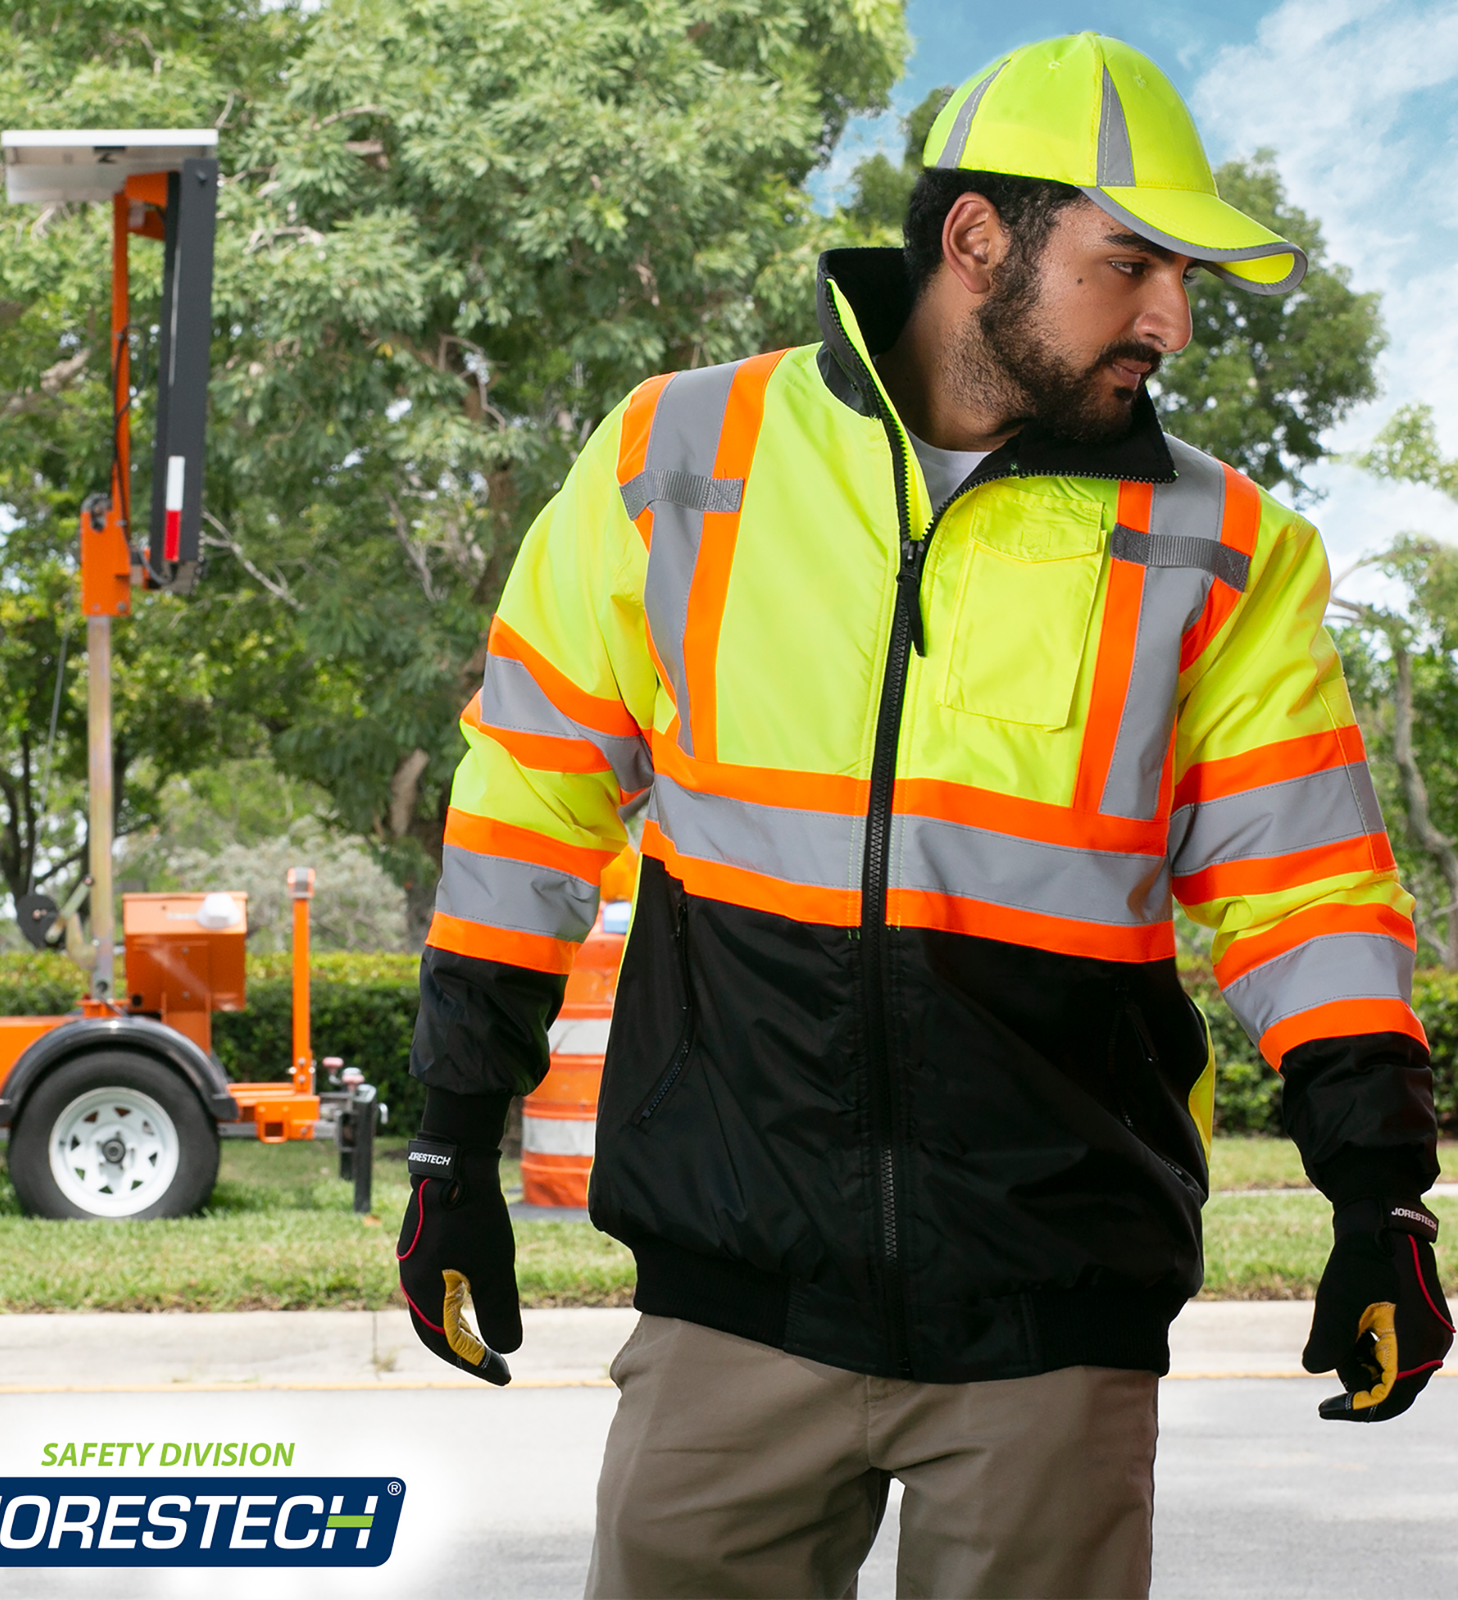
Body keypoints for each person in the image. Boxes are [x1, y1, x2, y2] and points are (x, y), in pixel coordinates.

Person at [395, 30, 1452, 1599]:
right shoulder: (679, 460)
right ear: (979, 241)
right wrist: (451, 1143)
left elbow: (1304, 895)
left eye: (1182, 278)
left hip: (1052, 1331)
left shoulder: (1227, 547)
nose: (1170, 316)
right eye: (1131, 263)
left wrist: (1380, 1196)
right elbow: (526, 810)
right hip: (728, 1307)